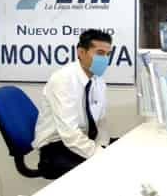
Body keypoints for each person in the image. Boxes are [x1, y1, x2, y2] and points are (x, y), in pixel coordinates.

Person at [32, 29, 113, 179]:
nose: (105, 59)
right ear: (81, 52)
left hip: (84, 140)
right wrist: (99, 155)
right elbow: (69, 134)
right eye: (100, 53)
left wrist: (103, 146)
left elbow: (101, 123)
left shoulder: (98, 80)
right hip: (56, 146)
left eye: (108, 54)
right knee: (109, 173)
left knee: (128, 151)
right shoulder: (63, 80)